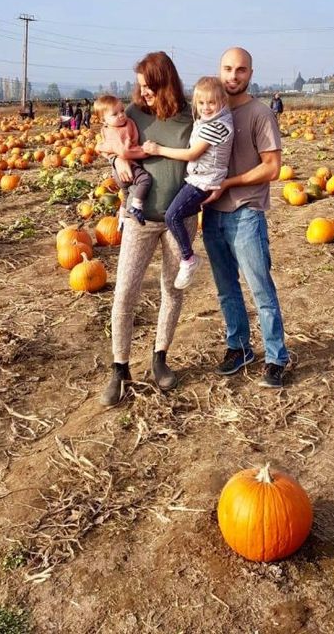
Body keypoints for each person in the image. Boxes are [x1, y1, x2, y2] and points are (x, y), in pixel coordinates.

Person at [99, 51, 195, 406]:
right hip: (140, 219)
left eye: (150, 86)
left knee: (172, 289)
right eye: (140, 86)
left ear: (165, 83)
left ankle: (160, 357)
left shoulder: (189, 115)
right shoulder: (131, 114)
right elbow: (105, 141)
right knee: (125, 290)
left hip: (180, 218)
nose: (144, 93)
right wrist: (116, 158)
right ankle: (119, 366)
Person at [201, 47, 294, 390]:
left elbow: (273, 167)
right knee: (226, 291)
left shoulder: (259, 114)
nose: (233, 76)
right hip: (212, 215)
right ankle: (238, 347)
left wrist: (229, 183)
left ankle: (276, 357)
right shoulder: (210, 112)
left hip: (246, 214)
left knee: (260, 289)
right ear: (219, 70)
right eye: (227, 68)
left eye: (241, 70)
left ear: (250, 74)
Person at [142, 76, 233, 290]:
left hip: (203, 181)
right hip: (202, 177)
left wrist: (158, 150)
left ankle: (188, 258)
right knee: (177, 212)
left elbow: (192, 153)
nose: (206, 107)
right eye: (201, 103)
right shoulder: (212, 121)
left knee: (172, 215)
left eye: (211, 102)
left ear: (222, 101)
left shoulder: (216, 126)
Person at [95, 94, 152, 225]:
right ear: (103, 120)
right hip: (126, 168)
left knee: (125, 194)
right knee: (145, 180)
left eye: (122, 110)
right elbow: (125, 152)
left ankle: (121, 218)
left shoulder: (126, 123)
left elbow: (102, 148)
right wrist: (146, 152)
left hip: (119, 170)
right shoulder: (113, 132)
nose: (121, 115)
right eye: (115, 114)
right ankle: (136, 207)